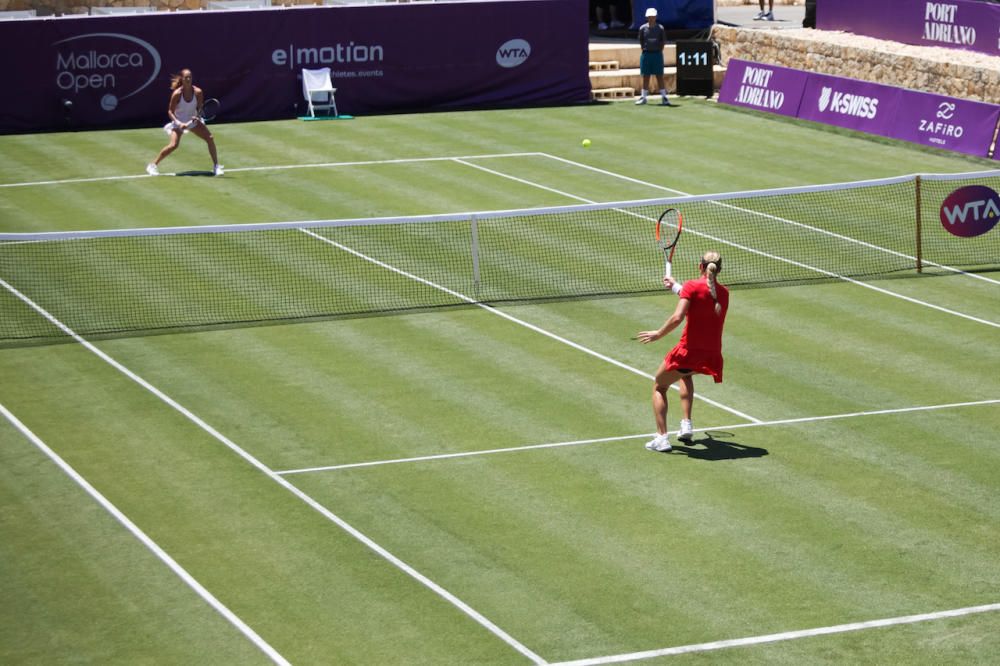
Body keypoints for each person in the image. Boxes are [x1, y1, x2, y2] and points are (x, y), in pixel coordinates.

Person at [635, 251, 729, 452]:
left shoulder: (692, 287)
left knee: (659, 386)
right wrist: (676, 286)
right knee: (684, 375)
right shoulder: (723, 293)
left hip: (688, 353)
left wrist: (658, 334)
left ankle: (662, 438)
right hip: (710, 356)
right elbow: (702, 296)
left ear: (700, 266)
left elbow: (678, 316)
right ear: (719, 269)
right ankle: (686, 424)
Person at [146, 69, 223, 177]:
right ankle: (152, 165)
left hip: (192, 121)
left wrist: (196, 117)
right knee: (173, 145)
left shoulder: (198, 92)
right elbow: (170, 112)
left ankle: (216, 166)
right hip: (178, 121)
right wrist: (178, 122)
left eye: (190, 77)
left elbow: (200, 109)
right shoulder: (177, 94)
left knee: (210, 138)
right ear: (182, 79)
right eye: (186, 77)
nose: (188, 79)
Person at [635, 8, 671, 106]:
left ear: (656, 17)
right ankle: (643, 97)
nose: (651, 18)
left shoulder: (660, 28)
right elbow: (641, 41)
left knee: (659, 76)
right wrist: (645, 50)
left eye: (653, 16)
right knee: (645, 76)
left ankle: (664, 97)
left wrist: (658, 50)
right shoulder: (642, 28)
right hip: (646, 54)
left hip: (657, 54)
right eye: (649, 17)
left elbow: (663, 41)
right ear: (647, 17)